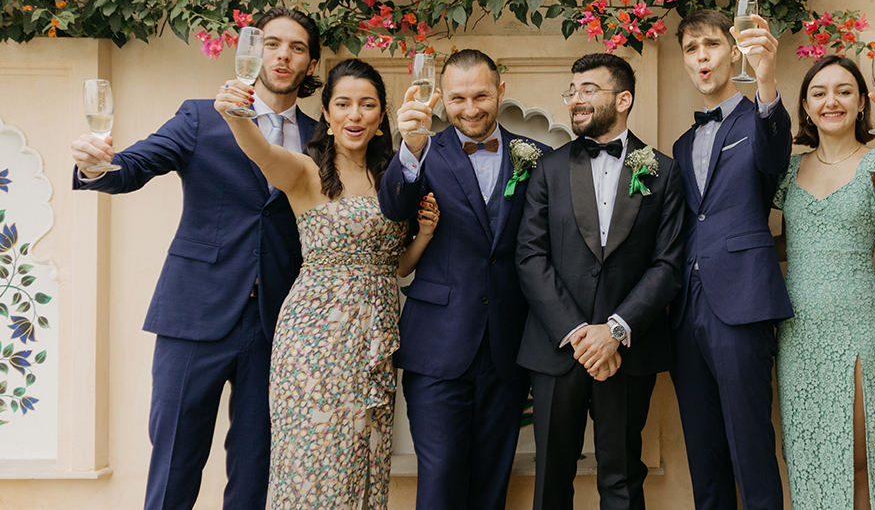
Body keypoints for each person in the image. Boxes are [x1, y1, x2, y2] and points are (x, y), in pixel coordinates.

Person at [68, 7, 321, 510]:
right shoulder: (200, 116)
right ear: (251, 53)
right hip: (194, 314)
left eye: (296, 48)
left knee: (256, 468)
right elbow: (134, 165)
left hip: (276, 324)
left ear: (311, 63)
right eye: (271, 44)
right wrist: (97, 166)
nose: (283, 56)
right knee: (175, 462)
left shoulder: (323, 137)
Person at [215, 57, 431, 509]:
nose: (355, 115)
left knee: (362, 457)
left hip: (376, 338)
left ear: (381, 116)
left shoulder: (393, 177)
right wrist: (235, 116)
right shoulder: (305, 171)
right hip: (315, 342)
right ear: (328, 115)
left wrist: (425, 235)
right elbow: (261, 151)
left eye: (367, 105)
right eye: (344, 104)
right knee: (314, 463)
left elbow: (397, 267)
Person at [377, 49, 549, 510]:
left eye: (481, 96)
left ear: (500, 91)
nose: (470, 109)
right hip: (437, 346)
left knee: (492, 481)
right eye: (457, 99)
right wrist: (411, 147)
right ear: (440, 98)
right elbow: (394, 207)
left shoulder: (538, 158)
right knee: (440, 477)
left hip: (508, 346)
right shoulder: (422, 151)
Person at [516, 53, 684, 510]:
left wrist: (614, 331)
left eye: (588, 89)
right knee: (551, 480)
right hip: (558, 348)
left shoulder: (663, 171)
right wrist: (579, 334)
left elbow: (667, 265)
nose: (576, 99)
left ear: (623, 99)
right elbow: (530, 255)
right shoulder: (548, 169)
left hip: (627, 350)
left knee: (622, 478)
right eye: (572, 91)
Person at [773, 55, 875, 510]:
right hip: (797, 329)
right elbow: (786, 242)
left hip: (858, 323)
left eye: (844, 91)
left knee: (859, 456)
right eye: (819, 93)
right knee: (807, 455)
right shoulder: (789, 169)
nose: (830, 101)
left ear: (860, 104)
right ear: (805, 106)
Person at [669, 8, 792, 510]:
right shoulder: (681, 144)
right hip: (686, 309)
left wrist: (767, 83)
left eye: (712, 45)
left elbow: (775, 156)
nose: (701, 57)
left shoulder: (757, 118)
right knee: (704, 452)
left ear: (733, 50)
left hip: (742, 300)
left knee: (750, 444)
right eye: (691, 49)